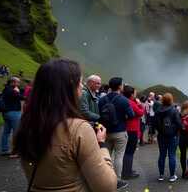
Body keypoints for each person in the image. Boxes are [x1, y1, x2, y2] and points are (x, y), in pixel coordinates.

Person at [13, 59, 117, 191]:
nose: (82, 86)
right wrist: (101, 145)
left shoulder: (27, 124)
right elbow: (107, 187)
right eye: (80, 82)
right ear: (69, 87)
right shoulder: (79, 129)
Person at [98, 77, 134, 189]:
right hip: (120, 132)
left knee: (106, 155)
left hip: (105, 132)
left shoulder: (102, 99)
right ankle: (117, 181)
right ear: (119, 86)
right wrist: (123, 117)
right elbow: (131, 115)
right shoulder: (124, 100)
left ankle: (104, 178)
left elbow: (99, 114)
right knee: (119, 156)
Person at [155, 93, 182, 182]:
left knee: (162, 155)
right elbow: (179, 124)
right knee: (172, 155)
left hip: (161, 136)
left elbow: (156, 124)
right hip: (172, 136)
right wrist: (176, 131)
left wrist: (160, 131)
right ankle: (172, 176)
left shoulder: (158, 110)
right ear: (171, 100)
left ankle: (161, 175)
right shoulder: (174, 110)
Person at [122, 85, 144, 180]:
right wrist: (140, 104)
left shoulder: (125, 101)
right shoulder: (131, 103)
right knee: (130, 151)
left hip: (127, 128)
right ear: (131, 94)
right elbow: (140, 112)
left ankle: (127, 169)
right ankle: (127, 172)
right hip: (132, 129)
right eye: (135, 93)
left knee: (127, 151)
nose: (136, 94)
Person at [1, 77, 23, 156]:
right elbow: (20, 97)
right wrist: (17, 91)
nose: (19, 84)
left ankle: (4, 149)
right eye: (18, 82)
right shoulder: (11, 90)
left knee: (6, 132)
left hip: (6, 113)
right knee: (16, 131)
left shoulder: (6, 89)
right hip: (13, 112)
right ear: (13, 82)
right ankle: (15, 150)